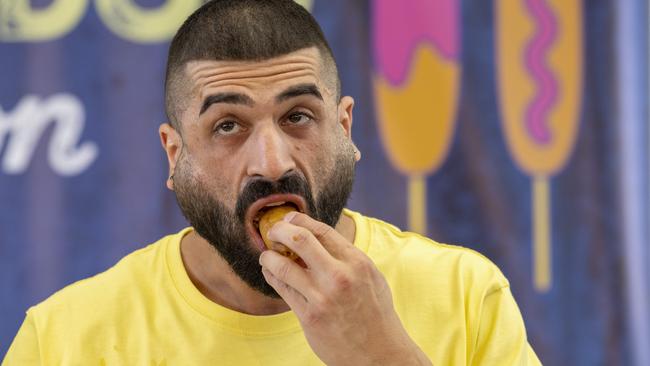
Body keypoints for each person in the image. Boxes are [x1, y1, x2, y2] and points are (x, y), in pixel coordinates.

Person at [3, 0, 541, 364]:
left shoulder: (466, 294)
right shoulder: (65, 339)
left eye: (298, 116)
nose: (270, 161)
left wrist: (381, 353)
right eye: (227, 126)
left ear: (345, 128)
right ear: (174, 154)